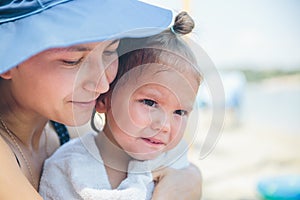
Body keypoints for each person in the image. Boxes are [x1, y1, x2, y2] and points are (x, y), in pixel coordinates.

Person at [0, 1, 201, 199]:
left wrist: (192, 177)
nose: (103, 85)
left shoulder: (61, 130)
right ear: (8, 58)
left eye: (109, 51)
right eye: (72, 61)